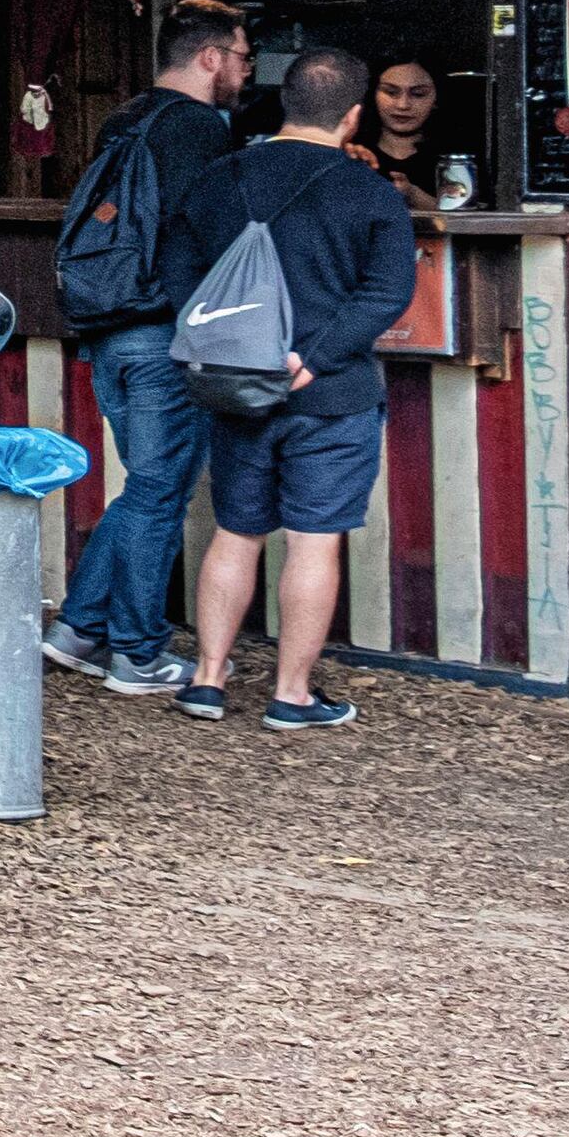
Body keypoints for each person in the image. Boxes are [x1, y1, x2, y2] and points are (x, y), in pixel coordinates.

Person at [175, 44, 422, 731]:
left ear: (284, 105)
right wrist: (314, 357)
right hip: (332, 393)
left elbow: (179, 271)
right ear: (351, 117)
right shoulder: (368, 190)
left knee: (235, 532)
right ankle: (291, 695)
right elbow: (388, 291)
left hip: (237, 389)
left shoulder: (221, 178)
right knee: (314, 541)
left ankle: (207, 679)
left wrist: (226, 349)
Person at [41, 0, 247, 696]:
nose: (246, 72)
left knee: (145, 488)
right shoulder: (199, 129)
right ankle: (137, 652)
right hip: (162, 332)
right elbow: (205, 237)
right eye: (242, 58)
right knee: (159, 491)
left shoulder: (125, 117)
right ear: (210, 57)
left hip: (107, 332)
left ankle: (77, 628)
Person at [353, 57, 445, 199]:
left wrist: (413, 195)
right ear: (373, 95)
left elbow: (470, 218)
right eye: (391, 92)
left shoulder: (453, 161)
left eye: (418, 94)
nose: (403, 105)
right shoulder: (354, 154)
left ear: (437, 99)